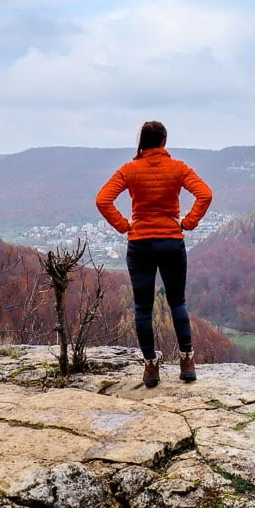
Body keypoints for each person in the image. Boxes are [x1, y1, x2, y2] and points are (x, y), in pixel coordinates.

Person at [96, 121, 212, 388]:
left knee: (142, 308)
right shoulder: (178, 168)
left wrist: (124, 225)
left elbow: (103, 199)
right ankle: (187, 361)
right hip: (171, 242)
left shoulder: (129, 169)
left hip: (140, 244)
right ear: (164, 142)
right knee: (177, 302)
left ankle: (150, 366)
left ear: (142, 141)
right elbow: (205, 194)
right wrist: (188, 222)